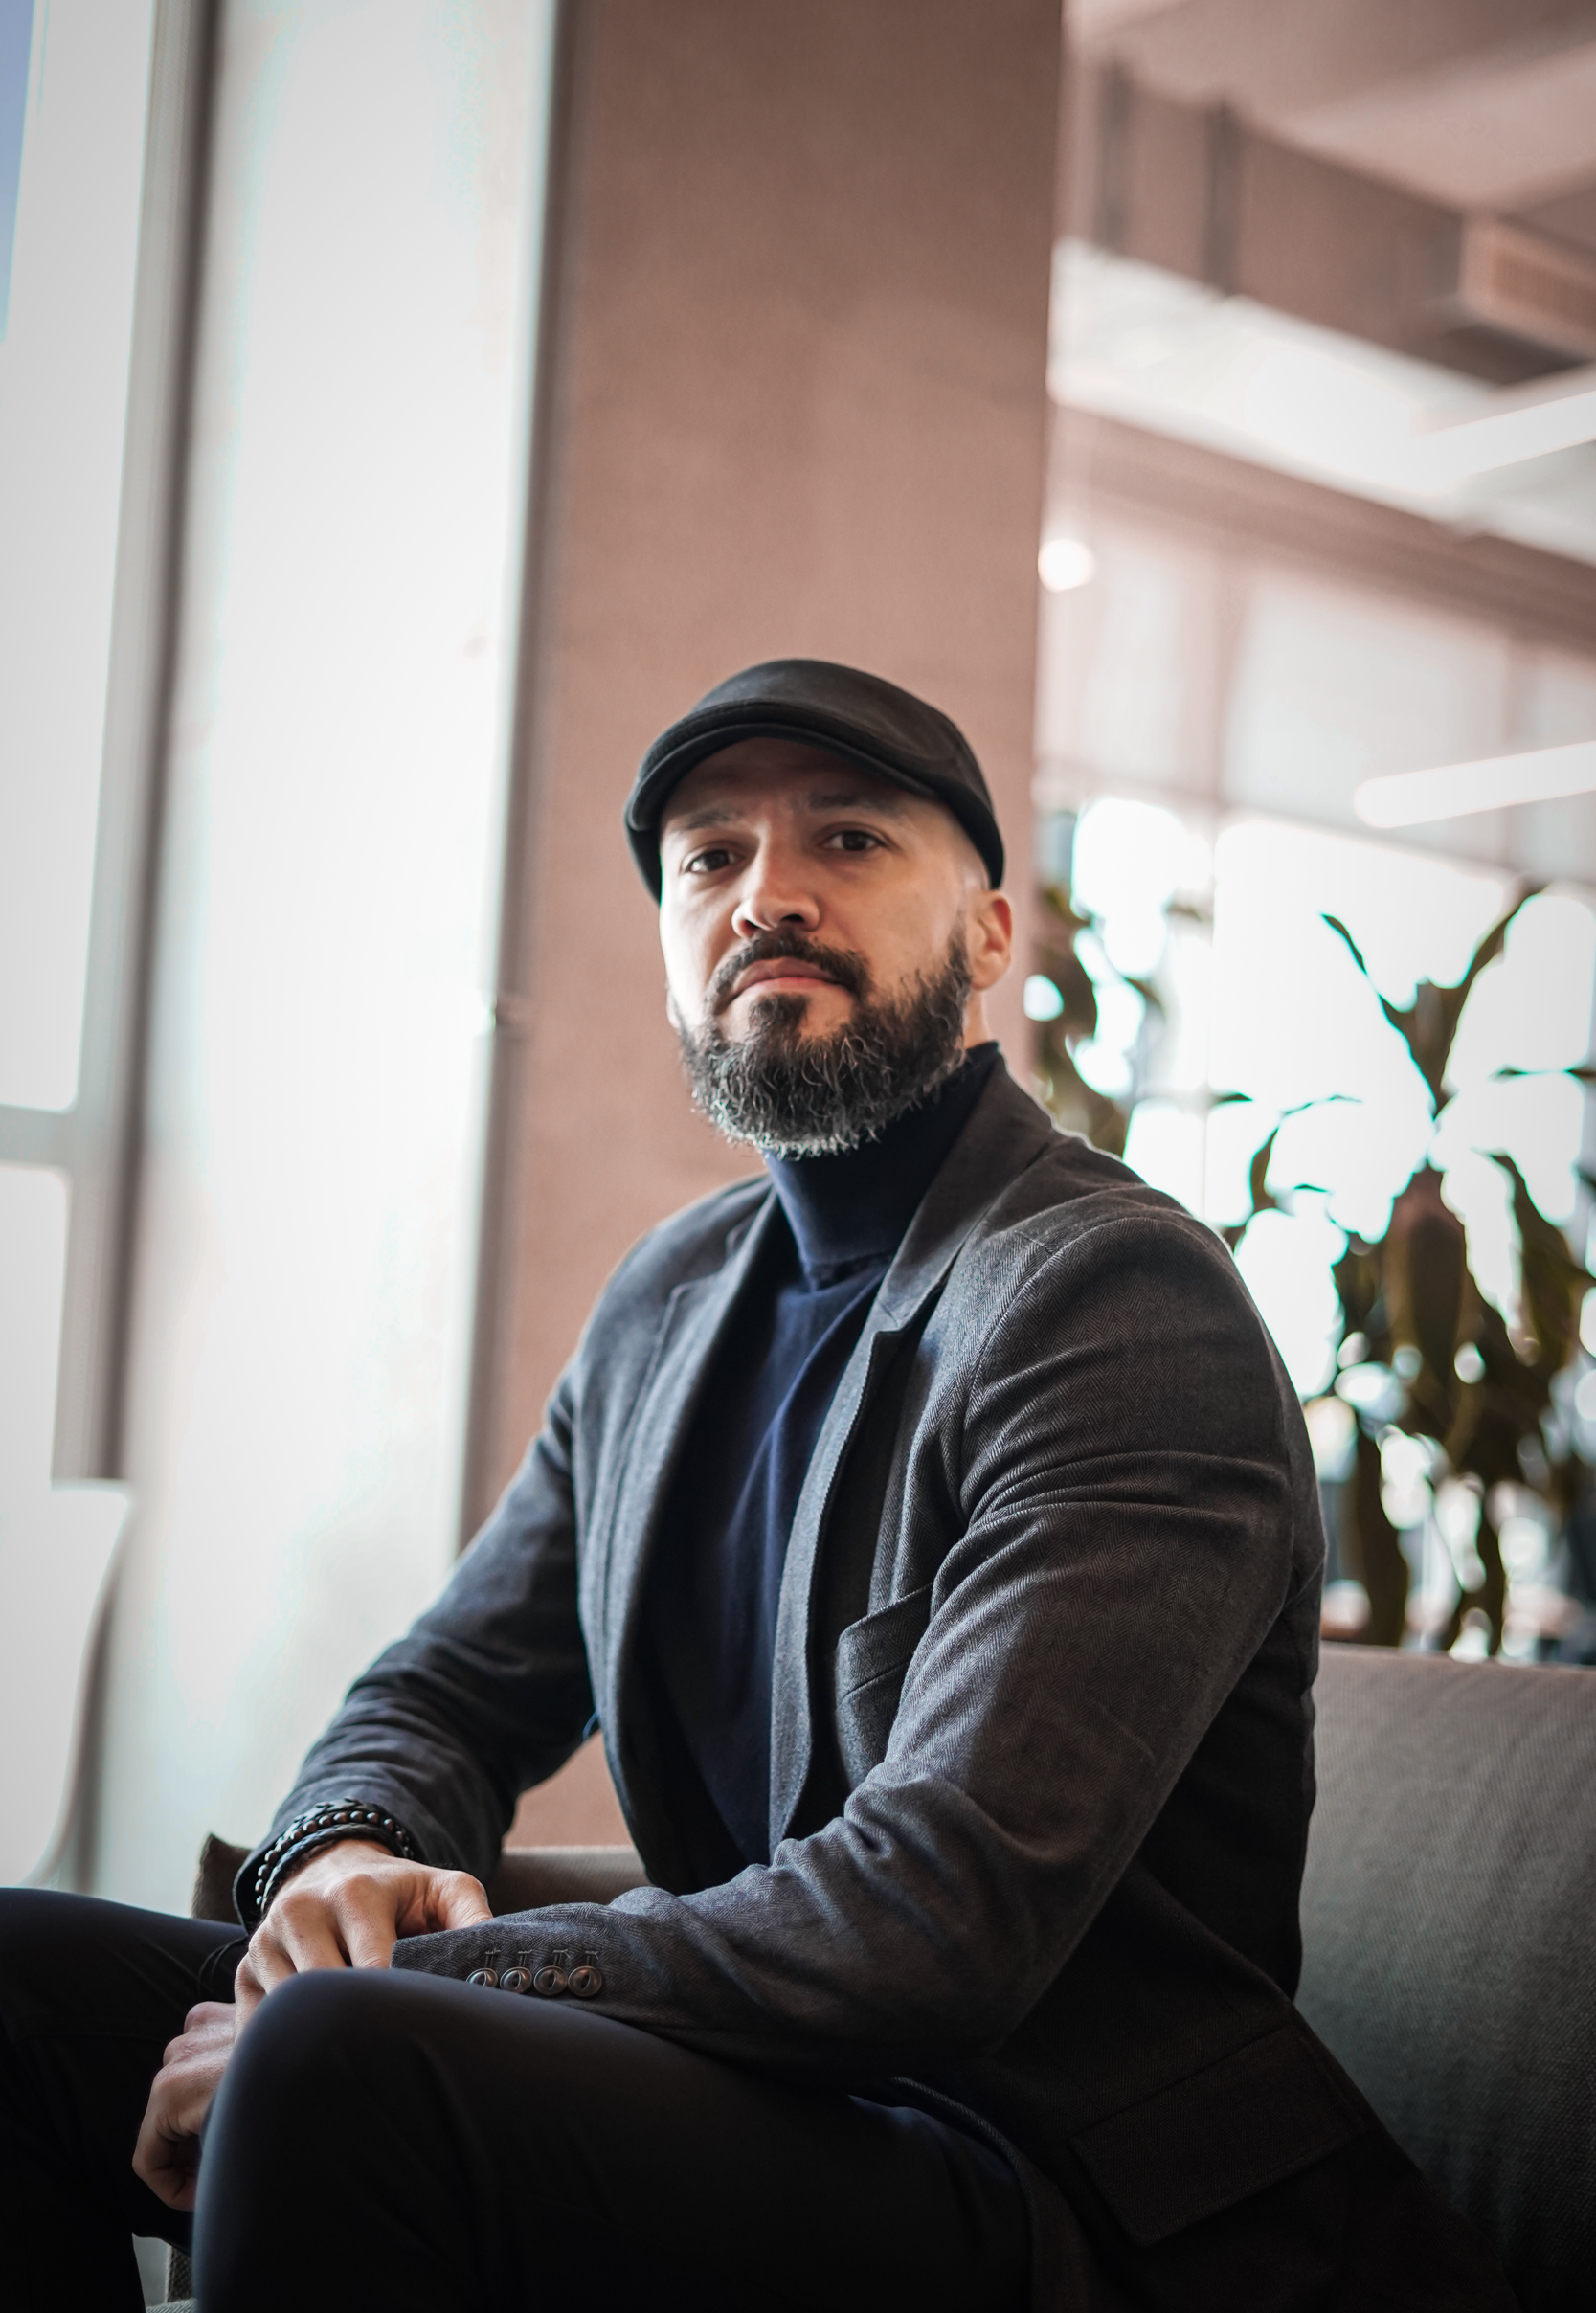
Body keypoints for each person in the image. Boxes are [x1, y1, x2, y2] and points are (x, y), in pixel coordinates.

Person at [1, 661, 1515, 2312]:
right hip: (770, 2092)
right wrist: (339, 1864)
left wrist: (418, 1981)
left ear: (990, 935)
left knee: (338, 2062)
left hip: (1057, 2176)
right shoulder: (666, 1300)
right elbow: (446, 1689)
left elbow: (938, 1916)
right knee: (20, 1983)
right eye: (711, 856)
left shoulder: (1117, 1300)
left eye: (848, 839)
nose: (766, 895)